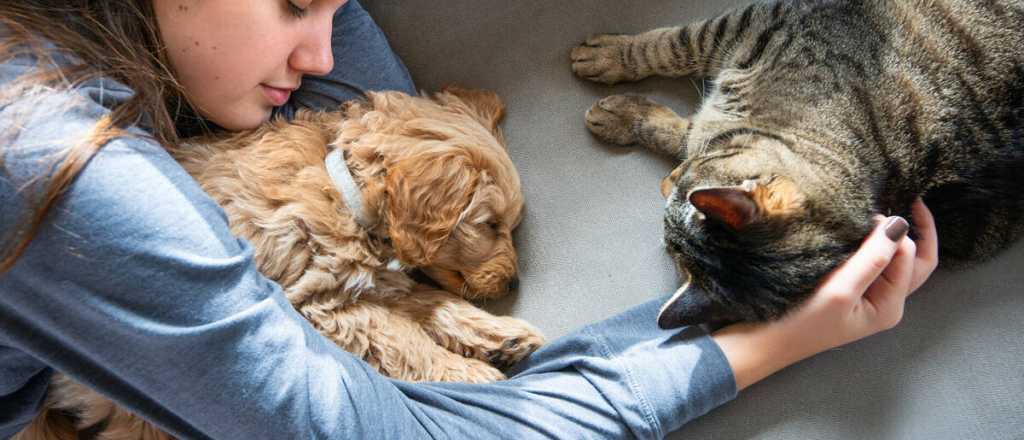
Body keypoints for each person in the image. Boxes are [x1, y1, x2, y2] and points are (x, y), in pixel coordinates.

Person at [0, 1, 938, 439]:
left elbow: (390, 137)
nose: (324, 49)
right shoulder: (58, 165)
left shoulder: (81, 52)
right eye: (293, 2)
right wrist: (767, 342)